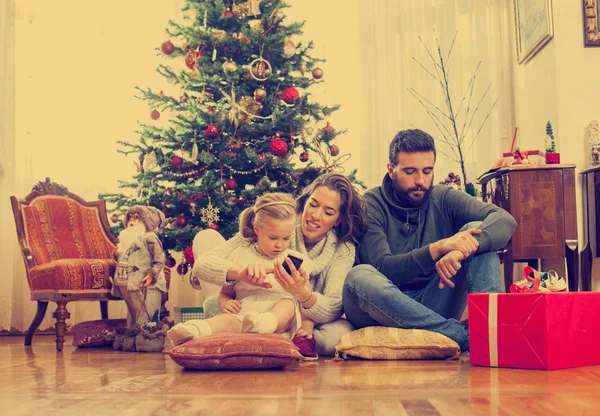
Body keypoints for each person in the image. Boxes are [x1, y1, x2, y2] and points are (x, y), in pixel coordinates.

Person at [342, 129, 517, 352]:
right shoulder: (371, 204)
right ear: (391, 169)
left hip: (433, 302)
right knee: (359, 276)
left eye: (427, 171)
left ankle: (491, 332)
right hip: (380, 309)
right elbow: (383, 268)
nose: (420, 181)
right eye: (410, 171)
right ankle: (469, 338)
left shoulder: (443, 197)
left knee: (475, 233)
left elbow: (504, 220)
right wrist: (438, 248)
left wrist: (460, 251)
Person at [189, 172, 368, 357]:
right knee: (205, 238)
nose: (315, 215)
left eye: (328, 212)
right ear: (305, 202)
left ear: (338, 220)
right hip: (243, 300)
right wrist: (239, 273)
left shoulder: (343, 249)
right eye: (313, 204)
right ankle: (228, 318)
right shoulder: (276, 223)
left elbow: (333, 306)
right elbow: (202, 265)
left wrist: (304, 295)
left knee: (335, 339)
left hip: (298, 315)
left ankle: (247, 331)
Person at [167, 193, 315, 347]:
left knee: (288, 305)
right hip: (246, 315)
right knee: (226, 320)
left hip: (278, 319)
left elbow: (305, 299)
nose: (280, 245)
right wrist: (226, 304)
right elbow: (226, 293)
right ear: (257, 229)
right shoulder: (240, 255)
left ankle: (263, 325)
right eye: (273, 238)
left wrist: (306, 329)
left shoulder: (294, 261)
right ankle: (193, 330)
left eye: (286, 238)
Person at [112, 206, 168, 350]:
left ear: (146, 221)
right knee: (133, 313)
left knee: (147, 312)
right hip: (127, 283)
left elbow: (159, 259)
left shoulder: (149, 238)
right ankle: (132, 340)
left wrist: (151, 274)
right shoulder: (126, 239)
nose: (133, 221)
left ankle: (148, 343)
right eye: (131, 218)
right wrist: (116, 255)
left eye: (137, 218)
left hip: (144, 283)